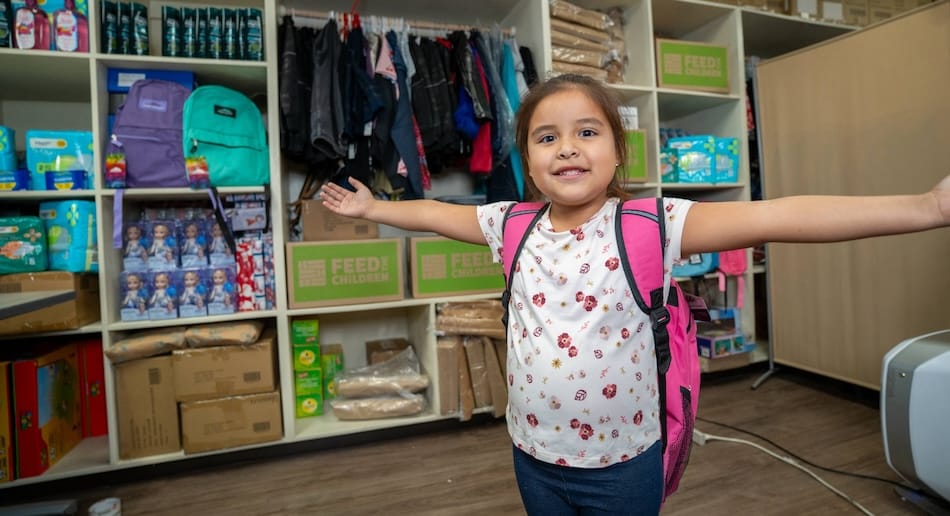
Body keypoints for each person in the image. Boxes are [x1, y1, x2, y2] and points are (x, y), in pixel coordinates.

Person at [320, 74, 950, 514]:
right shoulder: (509, 225)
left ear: (617, 152)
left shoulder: (651, 224)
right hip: (533, 454)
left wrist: (926, 206)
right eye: (547, 138)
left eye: (587, 132)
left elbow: (781, 214)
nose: (567, 146)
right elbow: (435, 214)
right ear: (529, 161)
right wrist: (378, 206)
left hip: (625, 464)